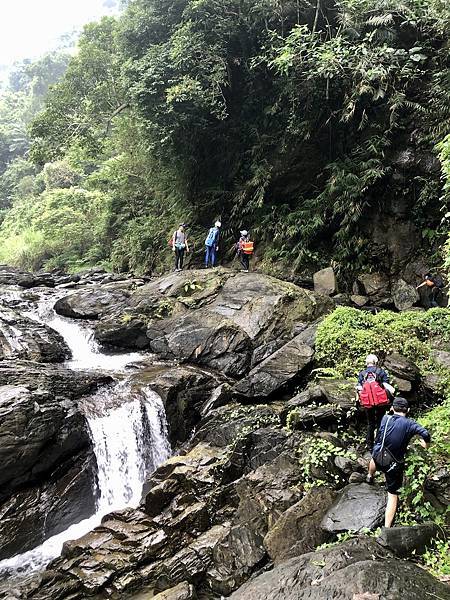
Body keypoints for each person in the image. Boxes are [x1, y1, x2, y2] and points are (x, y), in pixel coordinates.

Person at [367, 397, 431, 527]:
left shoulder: (385, 418)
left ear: (392, 408)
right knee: (392, 495)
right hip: (392, 463)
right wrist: (426, 444)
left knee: (374, 458)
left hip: (378, 454)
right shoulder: (410, 424)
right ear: (407, 410)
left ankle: (369, 476)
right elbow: (426, 433)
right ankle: (386, 528)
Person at [356, 354, 394, 451]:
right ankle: (380, 442)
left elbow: (359, 388)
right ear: (375, 362)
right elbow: (386, 385)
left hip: (368, 403)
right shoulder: (381, 372)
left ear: (366, 362)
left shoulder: (362, 373)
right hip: (381, 402)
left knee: (370, 423)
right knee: (380, 422)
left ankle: (369, 445)